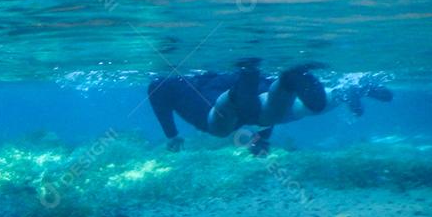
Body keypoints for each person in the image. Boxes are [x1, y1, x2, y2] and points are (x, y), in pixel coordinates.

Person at [147, 59, 392, 156]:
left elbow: (155, 89)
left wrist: (172, 135)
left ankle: (238, 90)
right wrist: (259, 140)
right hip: (251, 86)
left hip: (222, 98)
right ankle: (342, 89)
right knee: (281, 109)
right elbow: (262, 120)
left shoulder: (174, 82)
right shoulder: (205, 74)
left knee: (220, 126)